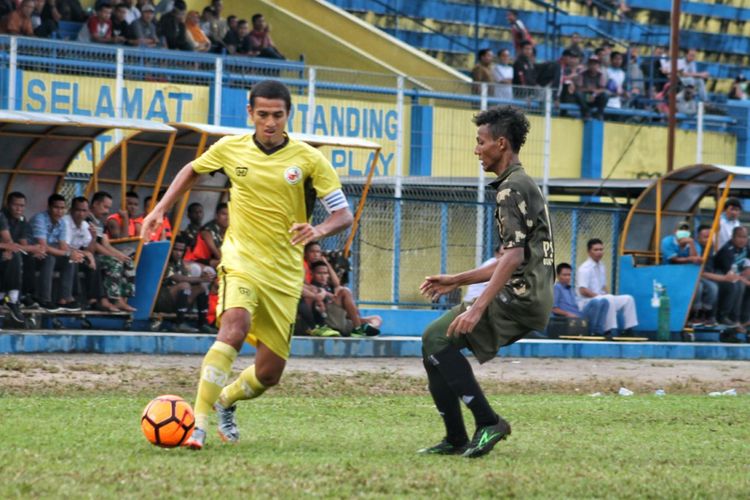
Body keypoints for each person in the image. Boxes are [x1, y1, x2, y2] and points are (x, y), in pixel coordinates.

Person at [140, 79, 353, 450]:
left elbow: (343, 214)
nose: (270, 123)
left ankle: (225, 401)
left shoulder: (308, 159)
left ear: (288, 115)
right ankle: (198, 425)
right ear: (250, 113)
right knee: (233, 328)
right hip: (240, 260)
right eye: (263, 115)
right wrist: (160, 209)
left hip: (284, 274)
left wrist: (317, 227)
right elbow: (191, 170)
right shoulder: (230, 148)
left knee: (269, 374)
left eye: (278, 115)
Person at [417, 106, 554, 458]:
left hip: (520, 297)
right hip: (531, 295)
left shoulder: (510, 190)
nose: (476, 149)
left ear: (501, 143)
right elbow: (514, 253)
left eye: (481, 142)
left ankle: (488, 422)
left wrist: (477, 309)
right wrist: (457, 279)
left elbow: (512, 257)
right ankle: (456, 437)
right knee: (433, 346)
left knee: (435, 338)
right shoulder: (521, 183)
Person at [30, 194, 82, 312]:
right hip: (32, 254)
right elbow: (43, 246)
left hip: (48, 253)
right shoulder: (40, 219)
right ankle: (45, 299)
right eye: (56, 208)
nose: (59, 211)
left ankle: (65, 298)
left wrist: (72, 254)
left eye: (62, 208)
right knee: (50, 258)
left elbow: (63, 246)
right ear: (49, 207)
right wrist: (67, 253)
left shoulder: (61, 222)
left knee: (70, 259)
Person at [576, 238, 638, 336]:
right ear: (589, 252)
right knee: (608, 298)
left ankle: (629, 329)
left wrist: (608, 295)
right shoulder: (584, 268)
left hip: (603, 298)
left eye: (601, 249)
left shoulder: (602, 266)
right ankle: (608, 330)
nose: (599, 252)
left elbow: (604, 286)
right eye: (596, 250)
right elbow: (583, 290)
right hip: (588, 302)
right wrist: (600, 296)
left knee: (628, 299)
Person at [88, 191, 137, 312]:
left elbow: (105, 243)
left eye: (108, 208)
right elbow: (95, 246)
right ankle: (113, 299)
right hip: (90, 253)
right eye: (105, 207)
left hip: (100, 253)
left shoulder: (98, 222)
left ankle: (123, 299)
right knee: (115, 263)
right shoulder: (88, 219)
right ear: (95, 204)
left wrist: (120, 255)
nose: (107, 211)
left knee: (128, 262)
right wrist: (115, 256)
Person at [155, 235, 214, 333]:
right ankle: (179, 323)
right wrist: (201, 278)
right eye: (176, 250)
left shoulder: (180, 263)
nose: (178, 253)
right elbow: (179, 278)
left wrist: (203, 278)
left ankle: (202, 323)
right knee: (185, 285)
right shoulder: (165, 261)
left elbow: (189, 278)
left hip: (177, 300)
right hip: (161, 299)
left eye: (181, 251)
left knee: (201, 288)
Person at [63, 197, 107, 311]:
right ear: (71, 210)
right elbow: (65, 246)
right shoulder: (65, 221)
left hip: (78, 254)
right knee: (75, 258)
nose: (81, 214)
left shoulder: (85, 225)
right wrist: (87, 255)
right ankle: (73, 297)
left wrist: (93, 238)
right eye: (78, 210)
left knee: (95, 260)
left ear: (88, 212)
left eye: (84, 211)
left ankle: (93, 299)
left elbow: (90, 250)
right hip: (63, 254)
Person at [710, 226, 750, 338]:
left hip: (736, 275)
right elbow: (731, 273)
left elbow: (747, 266)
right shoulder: (727, 250)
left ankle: (745, 318)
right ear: (732, 237)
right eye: (739, 237)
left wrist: (747, 273)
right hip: (721, 276)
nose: (742, 240)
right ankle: (729, 317)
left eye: (745, 237)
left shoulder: (746, 247)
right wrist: (746, 281)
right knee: (739, 285)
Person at [552, 263, 609, 336]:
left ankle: (599, 331)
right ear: (558, 276)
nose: (567, 277)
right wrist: (568, 314)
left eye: (569, 275)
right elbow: (554, 309)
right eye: (564, 275)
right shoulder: (556, 288)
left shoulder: (571, 289)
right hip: (569, 318)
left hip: (579, 314)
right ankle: (591, 332)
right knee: (595, 302)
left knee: (605, 301)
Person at [692, 225, 719, 327]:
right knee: (699, 287)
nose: (708, 239)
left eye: (710, 237)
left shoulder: (712, 248)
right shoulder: (696, 247)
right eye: (705, 237)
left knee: (714, 287)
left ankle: (707, 313)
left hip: (707, 275)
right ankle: (695, 313)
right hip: (696, 275)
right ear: (698, 237)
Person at [575, 55, 609, 120]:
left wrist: (595, 92)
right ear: (588, 65)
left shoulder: (600, 75)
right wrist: (589, 90)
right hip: (585, 96)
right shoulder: (583, 74)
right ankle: (586, 112)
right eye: (591, 63)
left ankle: (599, 113)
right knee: (578, 94)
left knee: (605, 96)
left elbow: (603, 89)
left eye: (595, 64)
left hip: (595, 96)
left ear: (598, 65)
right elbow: (578, 88)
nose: (593, 66)